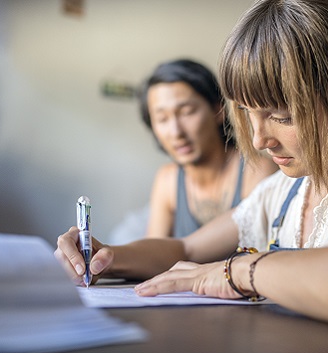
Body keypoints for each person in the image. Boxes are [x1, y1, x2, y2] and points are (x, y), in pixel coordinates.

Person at [56, 0, 328, 338]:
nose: (259, 139)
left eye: (281, 116)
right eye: (248, 114)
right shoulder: (282, 195)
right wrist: (106, 257)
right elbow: (186, 246)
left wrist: (238, 271)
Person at [111, 59, 277, 243]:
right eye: (162, 118)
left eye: (187, 112)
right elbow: (153, 254)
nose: (176, 132)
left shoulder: (257, 172)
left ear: (219, 110)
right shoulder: (168, 180)